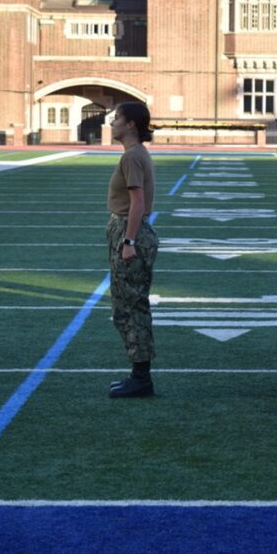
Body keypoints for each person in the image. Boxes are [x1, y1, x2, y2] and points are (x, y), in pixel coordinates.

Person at [106, 102, 159, 399]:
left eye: (117, 119)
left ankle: (141, 377)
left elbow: (137, 203)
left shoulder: (133, 157)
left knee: (130, 307)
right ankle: (138, 373)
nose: (112, 124)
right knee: (126, 305)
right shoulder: (134, 155)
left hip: (130, 231)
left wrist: (129, 241)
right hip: (127, 229)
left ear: (130, 125)